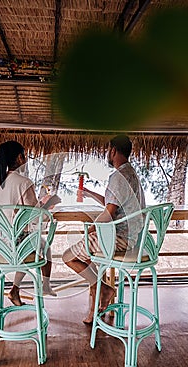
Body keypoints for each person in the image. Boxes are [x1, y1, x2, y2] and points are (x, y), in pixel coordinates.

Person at [62, 134, 146, 324]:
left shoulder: (118, 176)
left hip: (120, 239)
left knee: (68, 256)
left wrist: (90, 229)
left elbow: (108, 213)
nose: (107, 154)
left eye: (108, 150)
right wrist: (89, 193)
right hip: (134, 238)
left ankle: (103, 288)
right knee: (88, 254)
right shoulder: (131, 174)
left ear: (113, 150)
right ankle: (97, 297)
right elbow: (113, 203)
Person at [0, 140, 57, 306]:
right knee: (45, 246)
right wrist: (50, 203)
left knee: (33, 242)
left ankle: (15, 289)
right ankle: (45, 286)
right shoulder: (24, 182)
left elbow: (19, 211)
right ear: (20, 158)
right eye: (25, 155)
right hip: (16, 247)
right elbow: (37, 217)